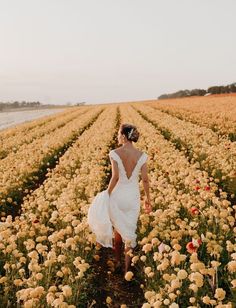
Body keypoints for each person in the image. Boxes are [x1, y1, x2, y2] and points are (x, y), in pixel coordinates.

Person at [107, 123, 152, 275]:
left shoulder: (114, 153)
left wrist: (107, 194)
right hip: (133, 197)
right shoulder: (142, 156)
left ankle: (118, 262)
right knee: (130, 231)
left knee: (118, 231)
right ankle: (128, 270)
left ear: (125, 136)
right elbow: (145, 180)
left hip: (119, 195)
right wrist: (148, 199)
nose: (117, 137)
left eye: (119, 134)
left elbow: (115, 177)